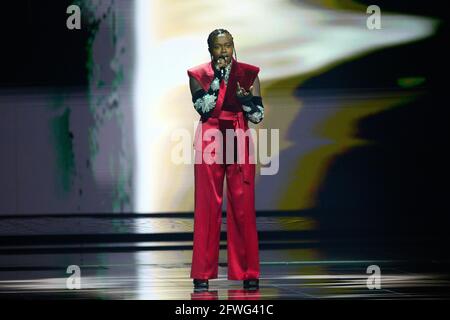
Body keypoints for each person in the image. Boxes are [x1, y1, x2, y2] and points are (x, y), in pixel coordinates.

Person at [187, 29, 265, 291]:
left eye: (228, 46)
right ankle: (202, 274)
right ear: (210, 50)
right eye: (218, 47)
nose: (224, 52)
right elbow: (204, 107)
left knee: (243, 208)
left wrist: (245, 100)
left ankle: (248, 271)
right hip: (210, 139)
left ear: (233, 47)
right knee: (207, 209)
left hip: (238, 136)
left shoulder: (249, 74)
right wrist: (220, 81)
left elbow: (257, 115)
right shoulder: (198, 75)